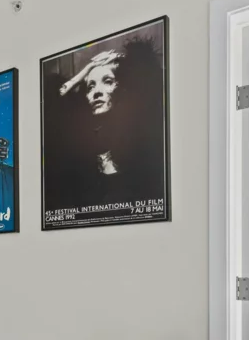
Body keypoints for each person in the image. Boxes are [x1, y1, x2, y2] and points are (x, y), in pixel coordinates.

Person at [43, 35, 165, 214]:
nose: (96, 92)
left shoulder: (140, 142)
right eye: (90, 86)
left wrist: (121, 60)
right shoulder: (80, 152)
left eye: (107, 82)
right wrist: (87, 69)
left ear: (122, 87)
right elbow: (52, 101)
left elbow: (153, 80)